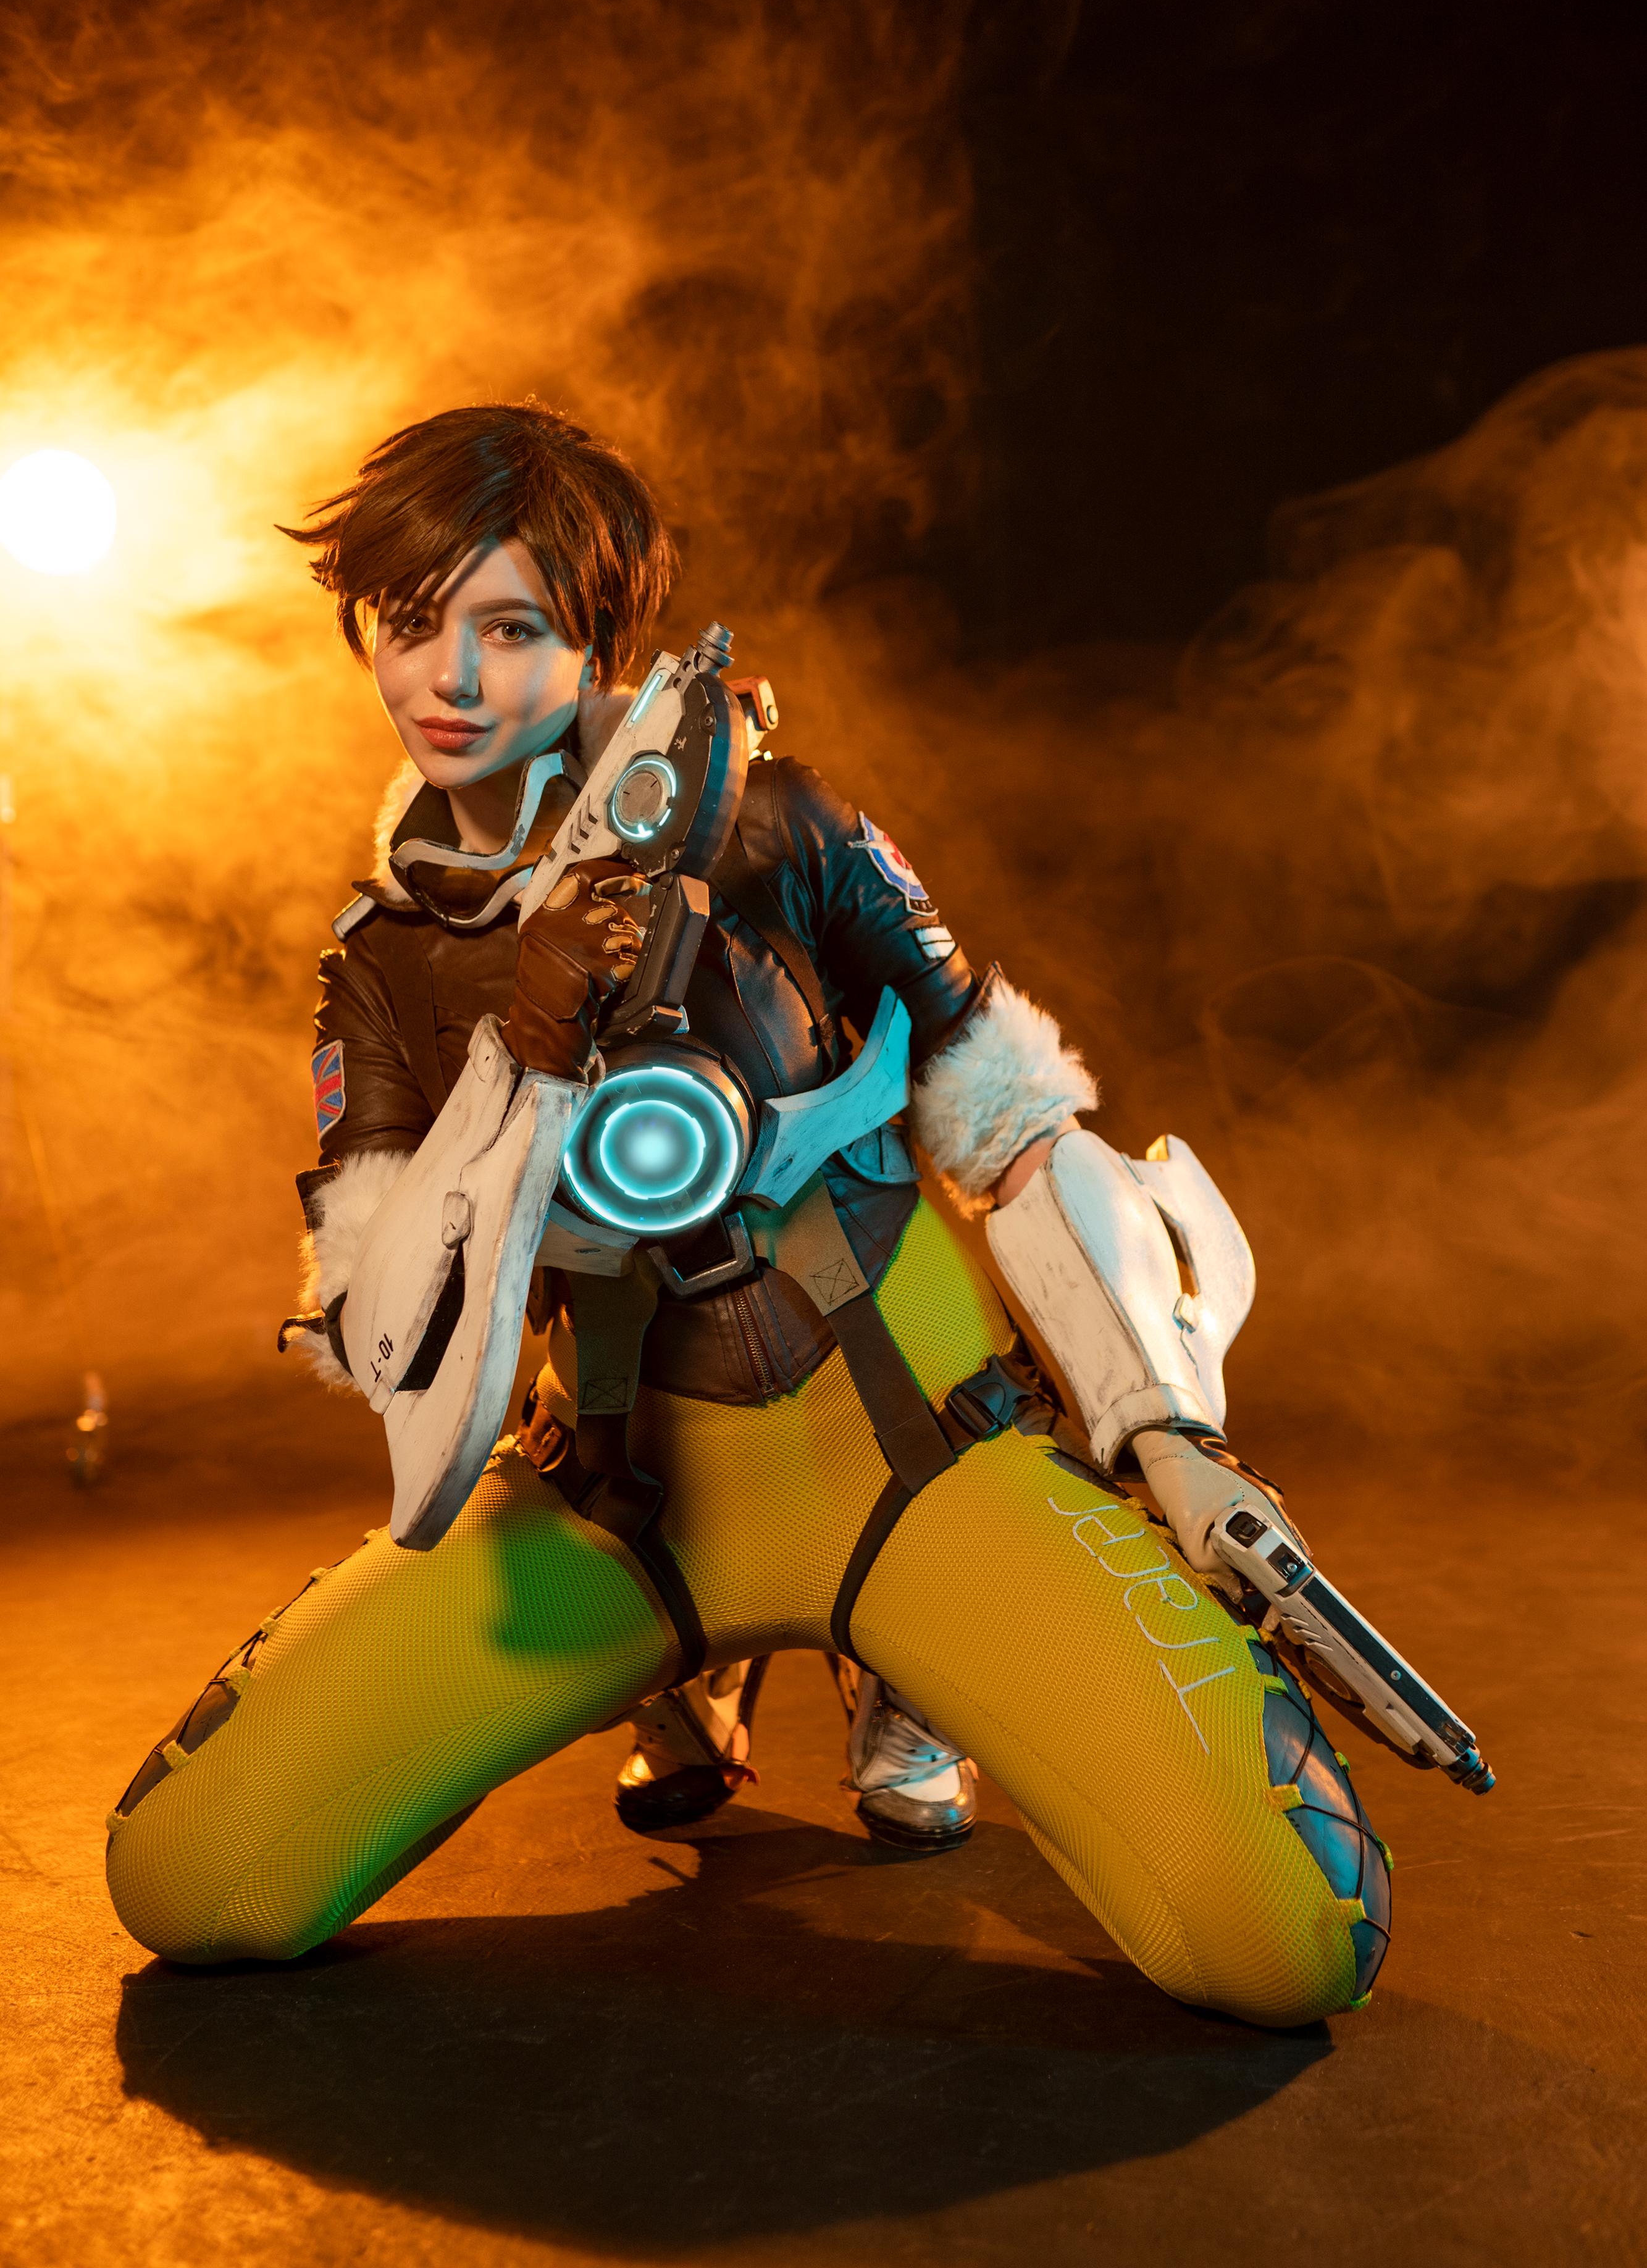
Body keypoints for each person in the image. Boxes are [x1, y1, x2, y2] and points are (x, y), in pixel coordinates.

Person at [104, 402, 1391, 2027]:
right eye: (413, 623)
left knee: (1287, 1930)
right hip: (615, 1504)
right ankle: (697, 1664)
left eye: (512, 628)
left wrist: (1166, 1429)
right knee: (192, 1873)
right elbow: (388, 1338)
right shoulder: (384, 965)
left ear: (596, 638)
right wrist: (524, 1050)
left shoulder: (770, 824)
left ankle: (910, 1661)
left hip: (912, 1453)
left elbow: (1010, 1123)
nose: (451, 678)